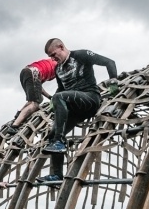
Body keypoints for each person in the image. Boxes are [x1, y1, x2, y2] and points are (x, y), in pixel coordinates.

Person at [36, 38, 118, 183]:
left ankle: (60, 142)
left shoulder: (81, 55)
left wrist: (113, 82)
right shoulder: (58, 69)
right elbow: (61, 89)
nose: (53, 59)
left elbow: (109, 62)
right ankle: (57, 175)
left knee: (59, 98)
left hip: (90, 99)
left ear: (61, 47)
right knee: (52, 136)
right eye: (50, 57)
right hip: (75, 108)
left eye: (54, 54)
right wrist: (53, 102)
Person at [2, 58, 57, 136]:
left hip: (26, 71)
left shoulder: (49, 64)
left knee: (35, 99)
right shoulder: (59, 65)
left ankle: (19, 114)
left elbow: (38, 86)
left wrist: (49, 96)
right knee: (35, 104)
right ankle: (14, 126)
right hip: (33, 73)